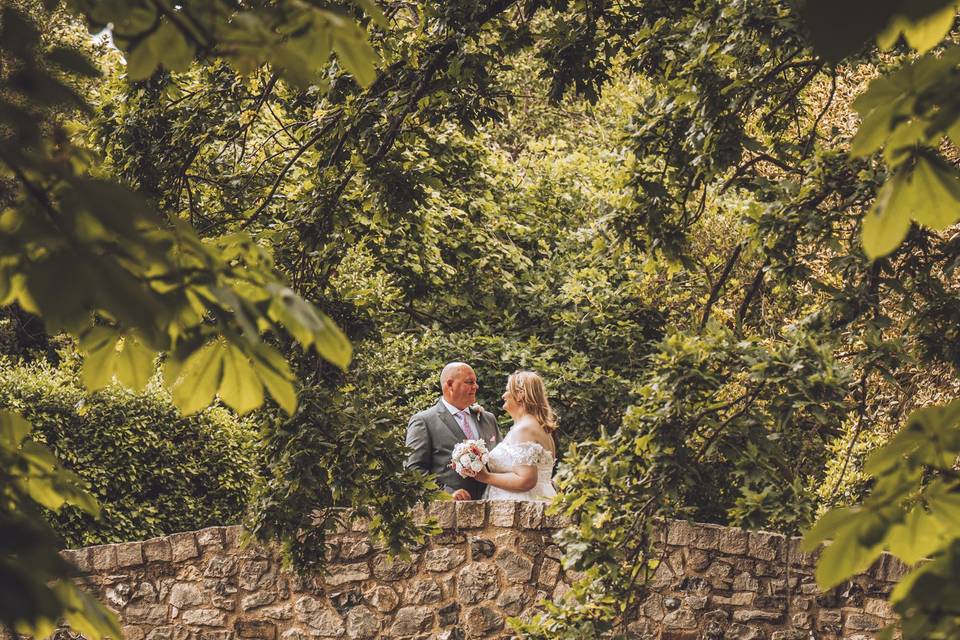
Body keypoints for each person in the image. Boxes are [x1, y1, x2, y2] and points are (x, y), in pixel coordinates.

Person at [405, 362, 501, 500]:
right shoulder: (424, 421)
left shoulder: (488, 419)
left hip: (495, 506)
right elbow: (413, 470)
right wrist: (445, 493)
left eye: (475, 382)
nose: (476, 386)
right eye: (469, 382)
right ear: (450, 385)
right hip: (451, 512)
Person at [464, 370, 557, 502]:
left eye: (507, 390)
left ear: (520, 394)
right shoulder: (540, 428)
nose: (503, 395)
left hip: (522, 506)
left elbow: (526, 480)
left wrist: (485, 476)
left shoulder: (524, 429)